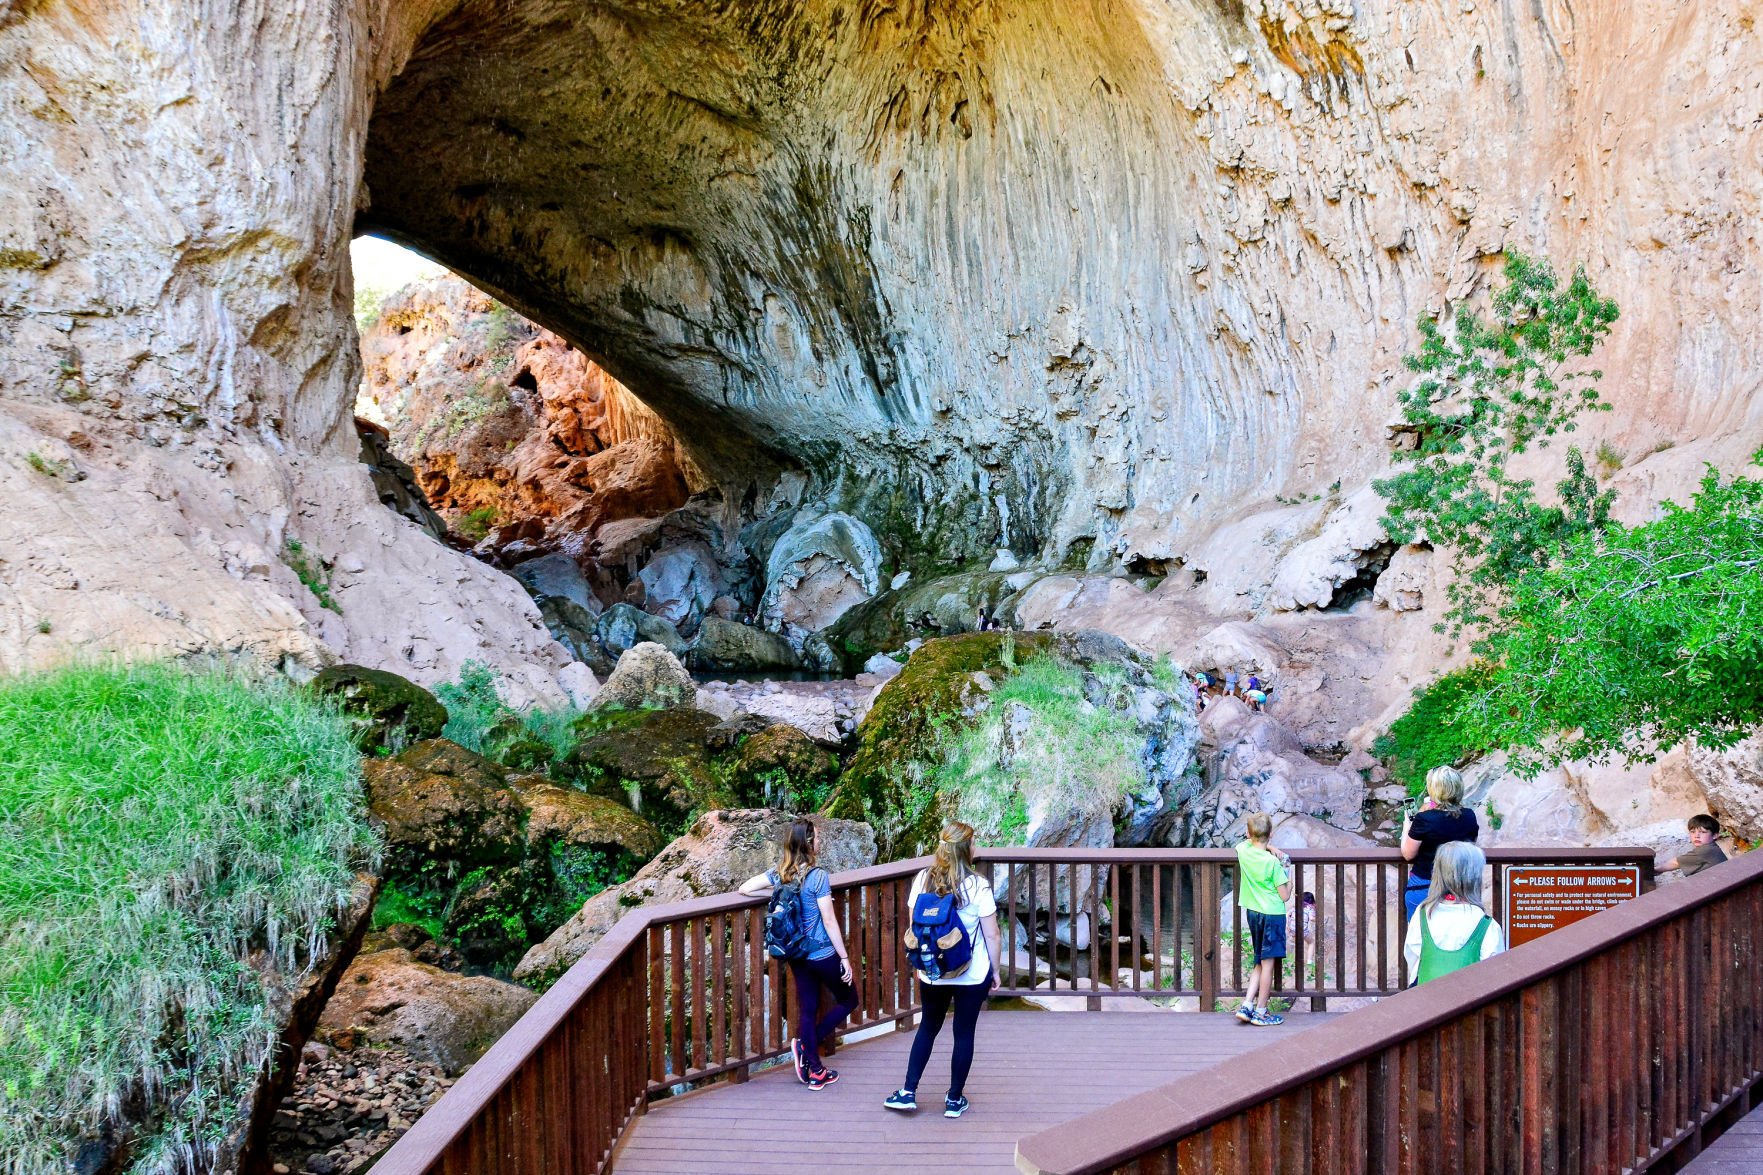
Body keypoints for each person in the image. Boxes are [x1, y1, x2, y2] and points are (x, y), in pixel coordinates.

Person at [882, 821, 1002, 1119]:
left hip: (933, 970)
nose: (977, 848)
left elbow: (915, 927)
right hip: (971, 973)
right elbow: (993, 935)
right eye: (974, 843)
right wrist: (996, 971)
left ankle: (908, 1092)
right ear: (966, 849)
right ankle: (953, 1099)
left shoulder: (923, 879)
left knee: (928, 1027)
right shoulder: (978, 885)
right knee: (963, 1033)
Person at [738, 818, 856, 1091]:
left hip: (795, 953)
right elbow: (829, 921)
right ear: (810, 843)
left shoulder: (780, 873)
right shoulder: (818, 877)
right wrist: (845, 958)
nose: (820, 842)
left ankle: (814, 1070)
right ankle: (805, 1045)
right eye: (818, 838)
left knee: (809, 1007)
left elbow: (744, 888)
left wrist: (777, 889)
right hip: (822, 953)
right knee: (849, 999)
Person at [1402, 841, 1505, 985]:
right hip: (1470, 1003)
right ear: (1474, 878)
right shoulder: (1486, 924)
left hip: (1426, 1000)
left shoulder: (1422, 913)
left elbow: (1413, 958)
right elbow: (1494, 975)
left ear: (1438, 873)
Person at [1233, 812, 1292, 1026]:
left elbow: (1246, 843)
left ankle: (1247, 1004)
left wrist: (1268, 847)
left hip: (1253, 913)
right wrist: (1287, 871)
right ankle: (1261, 1011)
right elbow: (1284, 895)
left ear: (1249, 834)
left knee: (1259, 959)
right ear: (1271, 834)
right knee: (1268, 964)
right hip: (1272, 915)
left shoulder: (1243, 851)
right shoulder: (1272, 864)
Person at [1401, 766, 1479, 920]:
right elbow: (1471, 845)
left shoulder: (1425, 819)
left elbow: (1408, 854)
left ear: (1434, 789)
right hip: (1459, 888)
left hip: (1425, 887)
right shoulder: (1469, 816)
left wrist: (1407, 826)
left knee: (1422, 940)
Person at [1663, 813, 1727, 876]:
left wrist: (1655, 870)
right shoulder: (1713, 848)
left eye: (1703, 832)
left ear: (1715, 835)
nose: (1696, 836)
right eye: (1692, 832)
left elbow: (1676, 863)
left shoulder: (1706, 850)